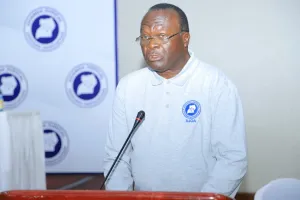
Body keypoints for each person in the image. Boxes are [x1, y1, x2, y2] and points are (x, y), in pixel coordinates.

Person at [103, 3, 247, 199]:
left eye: (162, 36)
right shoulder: (129, 87)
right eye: (145, 37)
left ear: (185, 38)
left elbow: (232, 159)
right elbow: (116, 157)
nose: (151, 44)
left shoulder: (215, 84)